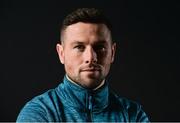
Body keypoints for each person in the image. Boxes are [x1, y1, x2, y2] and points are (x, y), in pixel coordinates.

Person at [16, 8, 150, 122]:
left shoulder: (133, 114)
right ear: (61, 53)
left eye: (100, 47)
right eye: (79, 47)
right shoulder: (39, 113)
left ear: (112, 52)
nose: (91, 57)